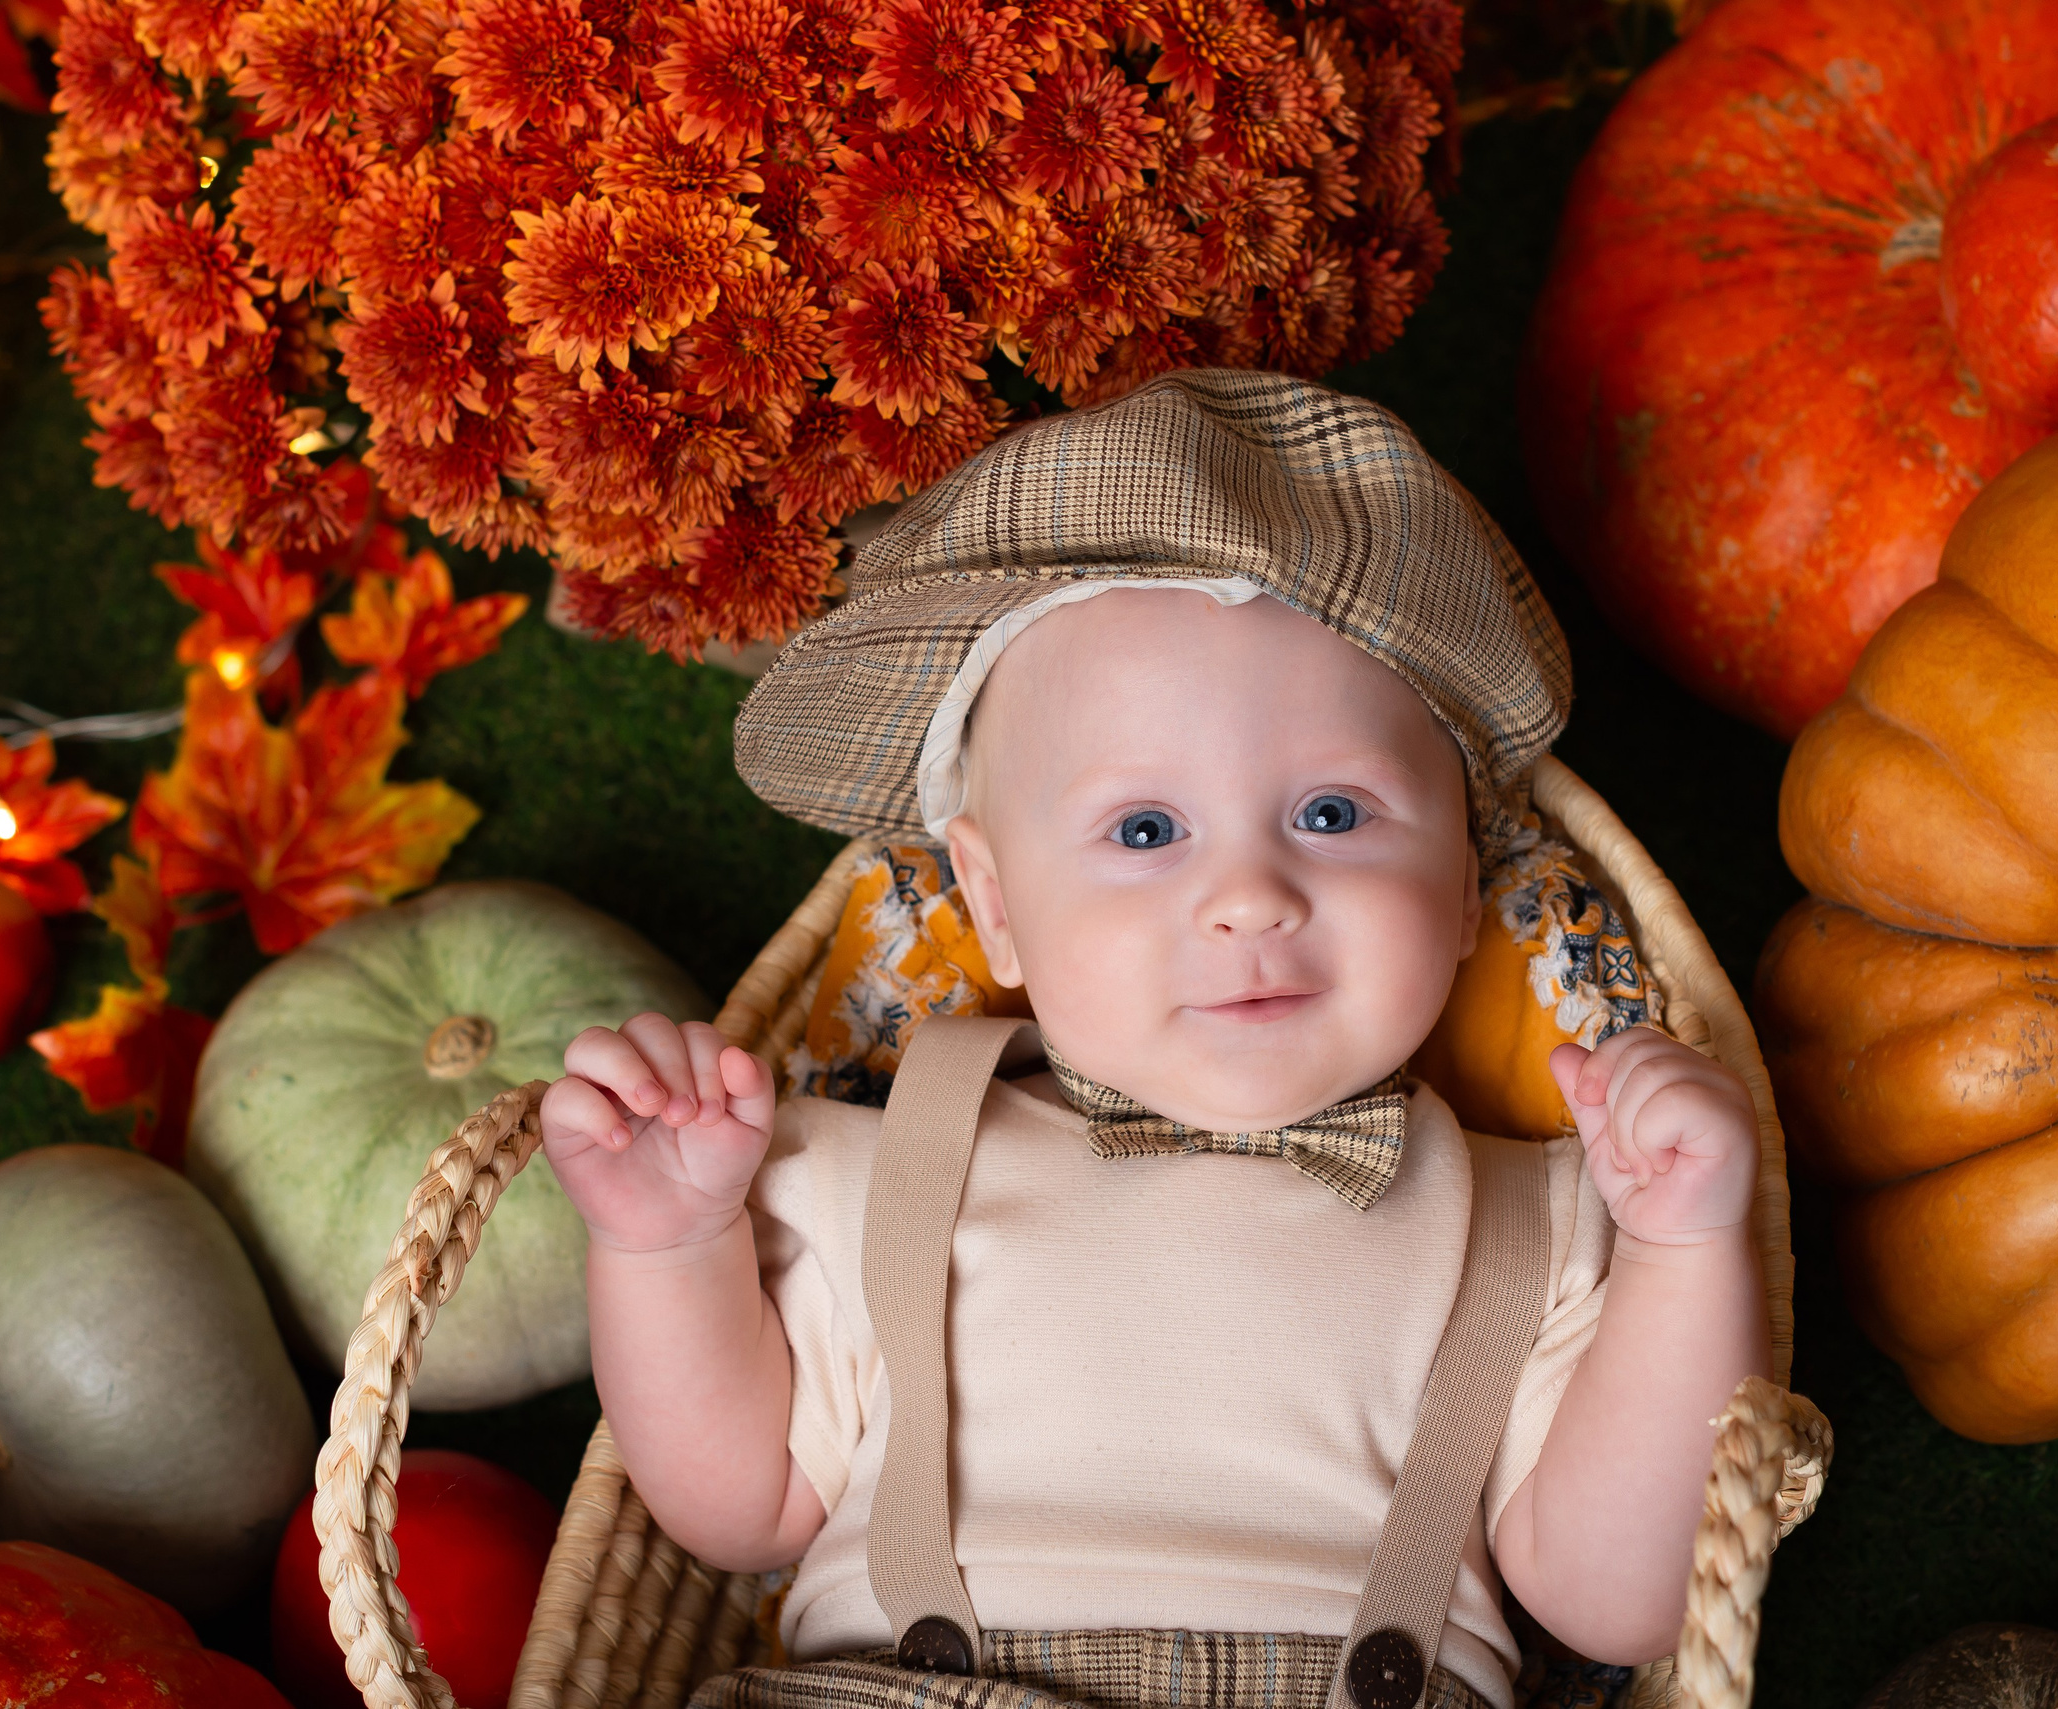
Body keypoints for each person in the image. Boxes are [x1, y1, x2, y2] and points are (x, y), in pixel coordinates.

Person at [538, 370, 1768, 1709]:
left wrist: (1682, 1247)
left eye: (1335, 814)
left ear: (1470, 882)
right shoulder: (870, 1166)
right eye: (1144, 832)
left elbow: (1624, 1599)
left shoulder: (1541, 1216)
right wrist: (667, 1243)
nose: (1249, 894)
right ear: (996, 906)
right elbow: (742, 1505)